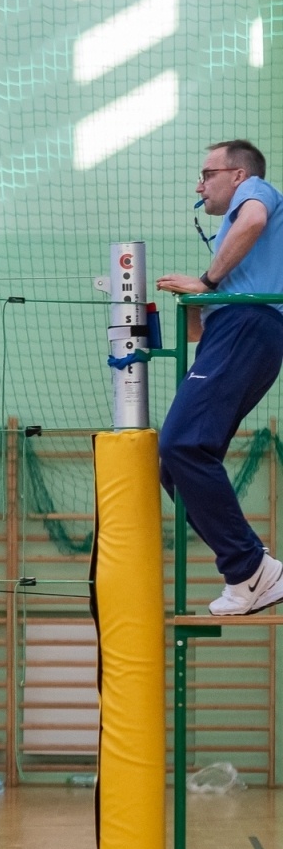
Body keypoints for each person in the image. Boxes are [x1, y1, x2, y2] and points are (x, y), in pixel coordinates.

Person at [158, 139, 283, 615]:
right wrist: (191, 299)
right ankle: (249, 569)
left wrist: (207, 284)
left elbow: (252, 220)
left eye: (206, 173)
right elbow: (196, 331)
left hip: (246, 327)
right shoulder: (237, 256)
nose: (199, 184)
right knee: (174, 465)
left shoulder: (258, 192)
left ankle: (251, 567)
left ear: (238, 175)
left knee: (181, 445)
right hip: (234, 333)